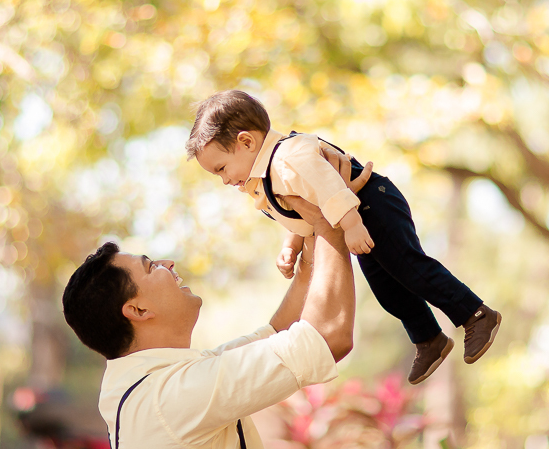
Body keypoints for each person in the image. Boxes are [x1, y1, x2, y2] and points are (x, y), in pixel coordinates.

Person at [61, 163, 367, 449]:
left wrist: (308, 234)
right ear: (137, 310)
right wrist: (332, 221)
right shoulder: (174, 394)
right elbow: (329, 337)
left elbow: (278, 335)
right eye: (151, 267)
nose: (169, 265)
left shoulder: (155, 384)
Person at [186, 89, 502, 386]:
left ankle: (474, 313)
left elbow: (329, 187)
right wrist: (291, 244)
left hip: (370, 204)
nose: (225, 180)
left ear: (246, 142)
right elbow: (300, 210)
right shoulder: (266, 175)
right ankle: (428, 337)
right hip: (356, 214)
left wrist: (351, 224)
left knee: (409, 266)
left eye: (222, 168)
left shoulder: (288, 158)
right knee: (386, 287)